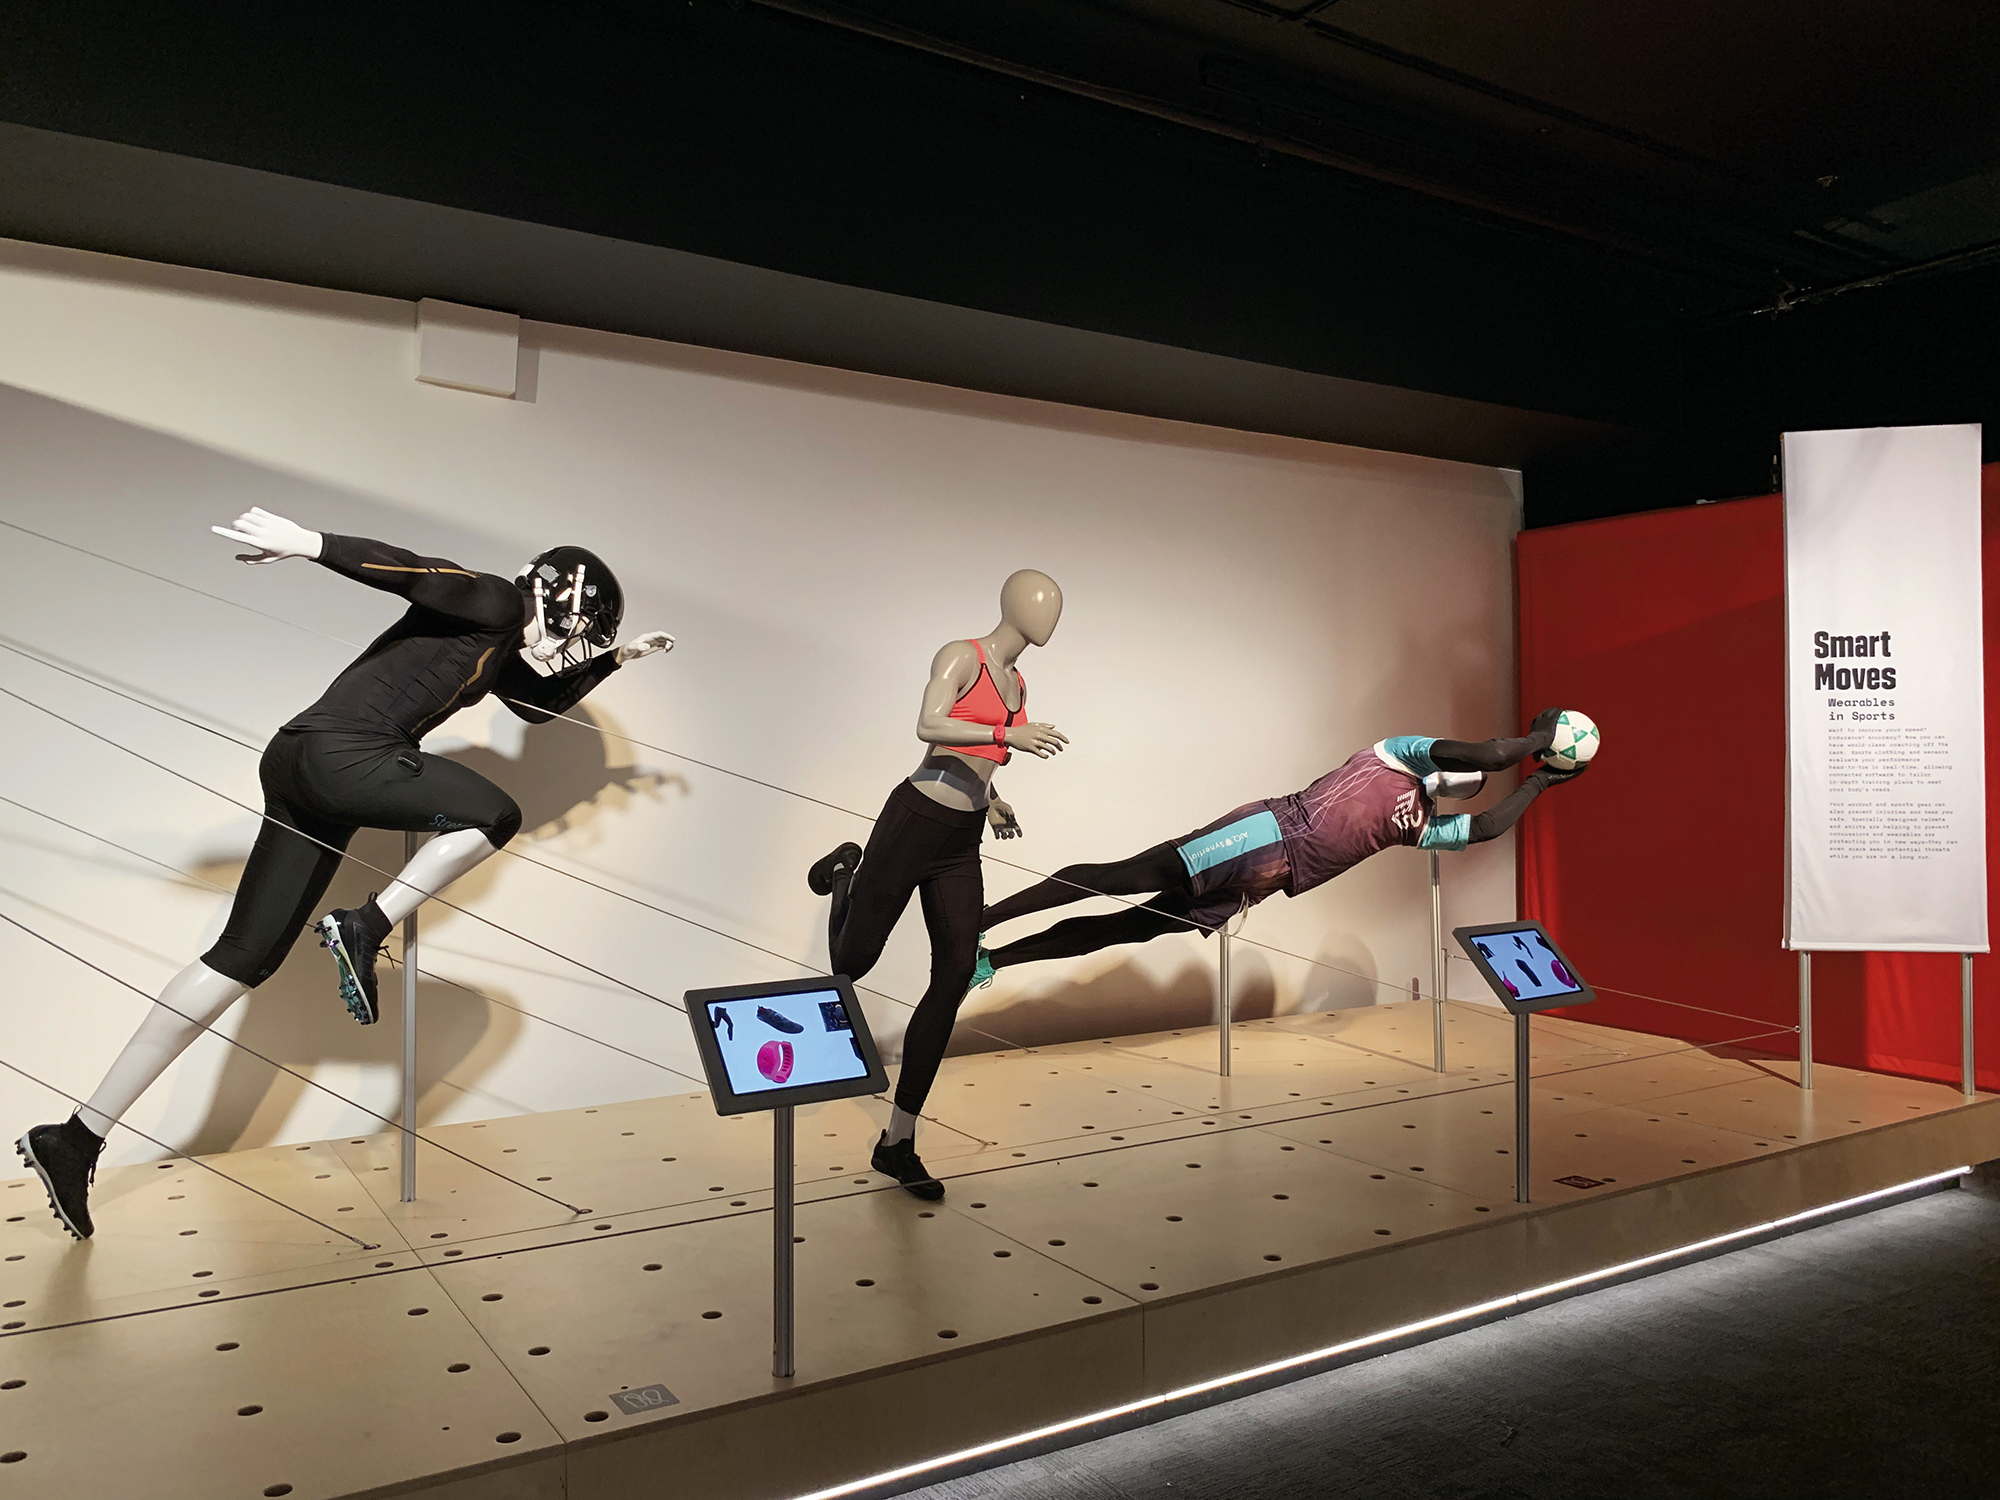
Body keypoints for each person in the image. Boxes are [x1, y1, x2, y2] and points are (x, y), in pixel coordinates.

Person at [16, 507, 674, 1239]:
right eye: (581, 631)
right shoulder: (495, 599)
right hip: (344, 754)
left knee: (241, 960)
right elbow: (415, 573)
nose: (572, 645)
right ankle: (364, 925)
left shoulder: (493, 643)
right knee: (495, 816)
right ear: (555, 597)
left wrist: (617, 661)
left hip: (301, 760)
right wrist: (310, 545)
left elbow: (535, 706)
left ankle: (75, 1138)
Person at [806, 570, 1066, 1199]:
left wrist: (992, 798)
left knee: (954, 974)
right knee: (851, 964)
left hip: (959, 841)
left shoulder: (1018, 680)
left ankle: (897, 1142)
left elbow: (978, 758)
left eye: (1055, 607)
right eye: (1041, 604)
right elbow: (929, 726)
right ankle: (843, 871)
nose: (1049, 616)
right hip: (914, 821)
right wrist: (1007, 734)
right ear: (1012, 604)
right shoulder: (961, 656)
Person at [973, 713, 1586, 979]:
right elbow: (1490, 755)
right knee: (1124, 877)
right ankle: (983, 921)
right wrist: (1543, 740)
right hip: (1265, 833)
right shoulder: (1395, 755)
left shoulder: (1418, 825)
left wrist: (1540, 782)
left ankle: (993, 960)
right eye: (1464, 772)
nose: (1468, 778)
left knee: (1132, 928)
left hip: (1268, 881)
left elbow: (1487, 827)